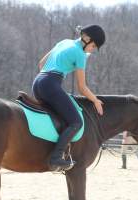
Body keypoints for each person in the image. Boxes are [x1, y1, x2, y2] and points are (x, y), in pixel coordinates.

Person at [32, 25, 106, 171]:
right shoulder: (79, 54)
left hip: (38, 83)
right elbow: (82, 88)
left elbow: (41, 64)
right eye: (93, 46)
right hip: (51, 84)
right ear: (87, 39)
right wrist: (95, 100)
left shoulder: (64, 42)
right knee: (76, 121)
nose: (92, 49)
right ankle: (56, 157)